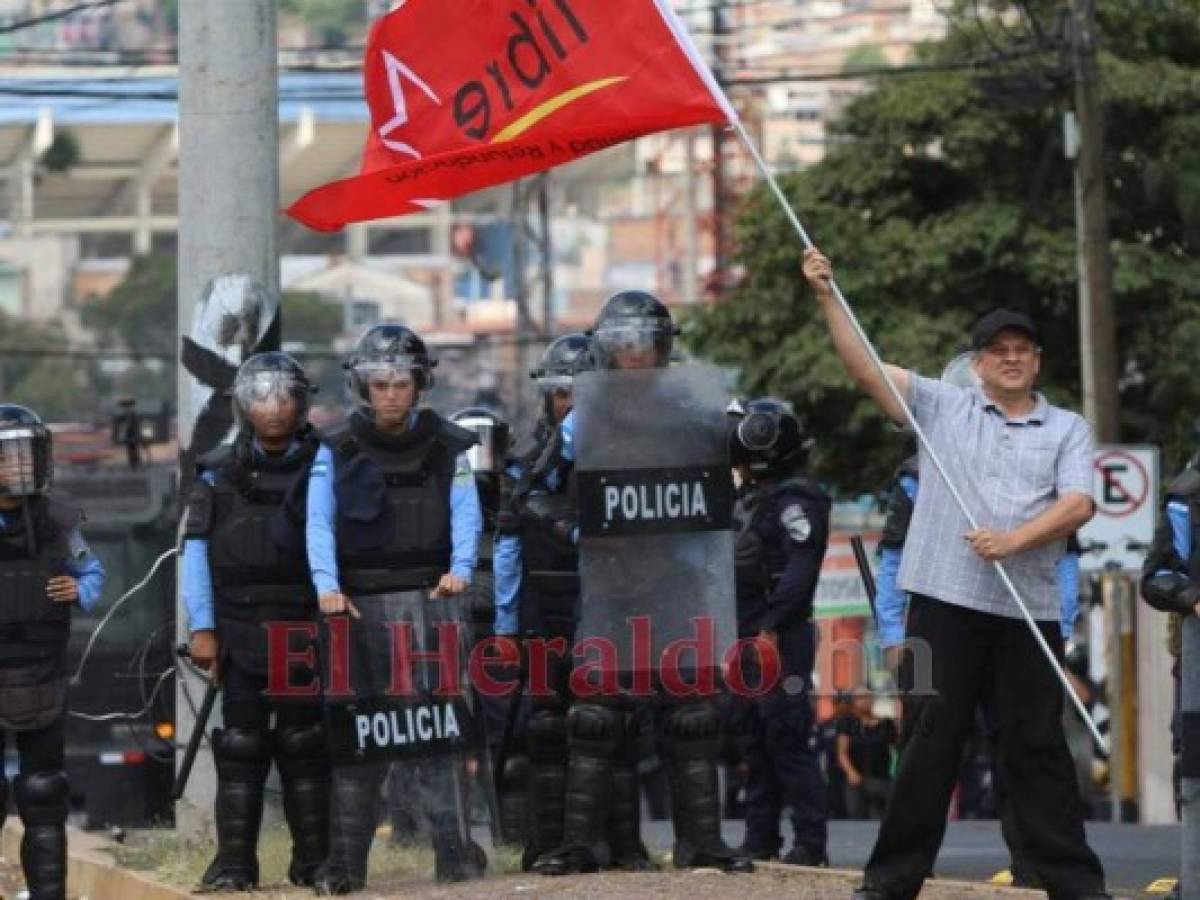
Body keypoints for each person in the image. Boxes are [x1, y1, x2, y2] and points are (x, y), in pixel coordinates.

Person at [802, 248, 1109, 900]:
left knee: (1038, 751)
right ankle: (889, 883)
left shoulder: (1068, 429)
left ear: (1038, 362)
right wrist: (828, 294)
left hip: (1028, 610)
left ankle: (1076, 886)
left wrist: (1014, 541)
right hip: (943, 602)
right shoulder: (944, 407)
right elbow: (864, 369)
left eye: (1022, 349)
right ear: (977, 364)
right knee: (929, 745)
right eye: (997, 349)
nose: (1010, 357)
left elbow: (1080, 503)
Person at [533, 292, 752, 876]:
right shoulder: (585, 415)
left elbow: (752, 437)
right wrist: (576, 531)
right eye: (622, 341)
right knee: (596, 718)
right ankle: (582, 845)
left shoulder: (697, 403)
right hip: (611, 584)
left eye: (644, 340)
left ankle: (701, 843)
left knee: (693, 717)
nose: (634, 352)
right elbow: (535, 491)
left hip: (680, 582)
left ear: (663, 344)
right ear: (606, 348)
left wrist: (756, 429)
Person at [306, 323, 485, 893]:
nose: (390, 393)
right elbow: (318, 522)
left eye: (401, 382)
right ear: (362, 386)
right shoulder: (333, 449)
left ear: (419, 384)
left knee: (440, 735)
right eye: (380, 383)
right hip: (357, 611)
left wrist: (460, 571)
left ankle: (455, 858)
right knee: (359, 741)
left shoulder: (450, 444)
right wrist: (327, 586)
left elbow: (466, 512)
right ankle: (346, 868)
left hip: (433, 604)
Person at [182, 352, 328, 890]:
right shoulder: (215, 472)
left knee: (305, 745)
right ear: (244, 405)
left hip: (302, 629)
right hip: (238, 629)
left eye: (285, 396)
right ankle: (235, 866)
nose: (274, 409)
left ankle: (314, 861)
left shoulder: (324, 464)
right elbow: (195, 553)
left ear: (301, 403)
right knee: (241, 749)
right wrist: (202, 628)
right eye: (262, 397)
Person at [492, 334, 602, 869]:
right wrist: (507, 628)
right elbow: (508, 547)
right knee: (545, 726)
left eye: (582, 391)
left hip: (603, 607)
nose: (571, 402)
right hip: (543, 606)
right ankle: (545, 840)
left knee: (603, 724)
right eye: (562, 393)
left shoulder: (621, 454)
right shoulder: (525, 463)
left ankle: (603, 842)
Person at [0, 404, 106, 900]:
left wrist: (77, 590)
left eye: (21, 454)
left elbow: (93, 572)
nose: (13, 466)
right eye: (4, 456)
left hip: (41, 676)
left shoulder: (60, 523)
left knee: (44, 794)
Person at [727, 397, 831, 864]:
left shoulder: (797, 501)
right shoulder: (751, 500)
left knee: (786, 736)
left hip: (779, 634)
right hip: (746, 632)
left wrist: (771, 626)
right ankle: (760, 839)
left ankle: (810, 844)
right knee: (754, 738)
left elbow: (799, 569)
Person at [1139, 453, 1200, 900]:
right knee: (1194, 769)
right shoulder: (1187, 496)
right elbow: (1157, 577)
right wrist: (1192, 598)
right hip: (1196, 663)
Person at [836, 689, 898, 820]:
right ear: (854, 702)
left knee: (881, 818)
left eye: (869, 697)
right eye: (861, 698)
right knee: (858, 818)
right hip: (857, 779)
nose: (866, 701)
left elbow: (896, 748)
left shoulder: (886, 723)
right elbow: (842, 753)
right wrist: (851, 772)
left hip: (881, 779)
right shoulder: (848, 723)